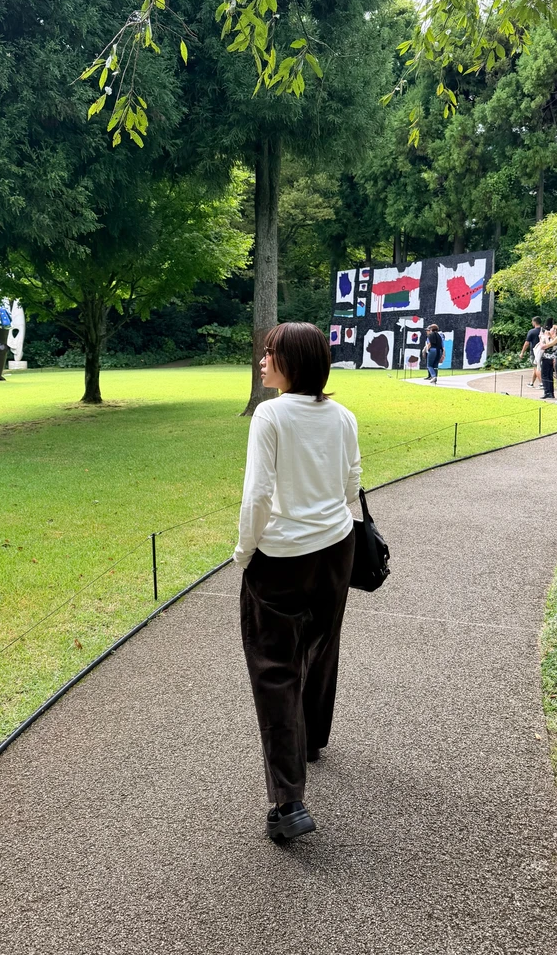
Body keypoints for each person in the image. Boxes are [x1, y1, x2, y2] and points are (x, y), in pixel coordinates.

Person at [234, 322, 361, 840]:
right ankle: (312, 741)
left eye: (270, 353)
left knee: (274, 669)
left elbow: (257, 496)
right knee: (321, 646)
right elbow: (352, 484)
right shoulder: (344, 416)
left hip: (282, 556)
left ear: (293, 362)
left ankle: (289, 802)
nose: (263, 361)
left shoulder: (271, 414)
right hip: (337, 550)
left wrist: (244, 552)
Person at [520, 317, 542, 387]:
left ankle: (541, 383)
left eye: (532, 322)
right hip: (543, 352)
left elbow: (527, 343)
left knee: (536, 368)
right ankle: (532, 383)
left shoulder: (532, 331)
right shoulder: (544, 330)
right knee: (536, 368)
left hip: (534, 352)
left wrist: (522, 352)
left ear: (534, 322)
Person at [539, 318, 556, 399]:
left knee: (544, 375)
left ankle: (547, 392)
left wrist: (544, 337)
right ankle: (551, 392)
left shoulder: (546, 336)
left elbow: (543, 346)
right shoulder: (556, 338)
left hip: (546, 357)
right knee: (550, 375)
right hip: (553, 357)